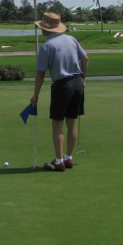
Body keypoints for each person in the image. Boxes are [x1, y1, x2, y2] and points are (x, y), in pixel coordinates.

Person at [30, 11, 88, 172]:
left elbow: (40, 73)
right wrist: (84, 79)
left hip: (62, 86)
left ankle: (59, 161)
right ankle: (68, 158)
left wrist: (35, 95)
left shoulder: (46, 46)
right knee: (72, 122)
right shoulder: (71, 39)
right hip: (77, 83)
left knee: (57, 124)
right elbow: (85, 58)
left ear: (45, 29)